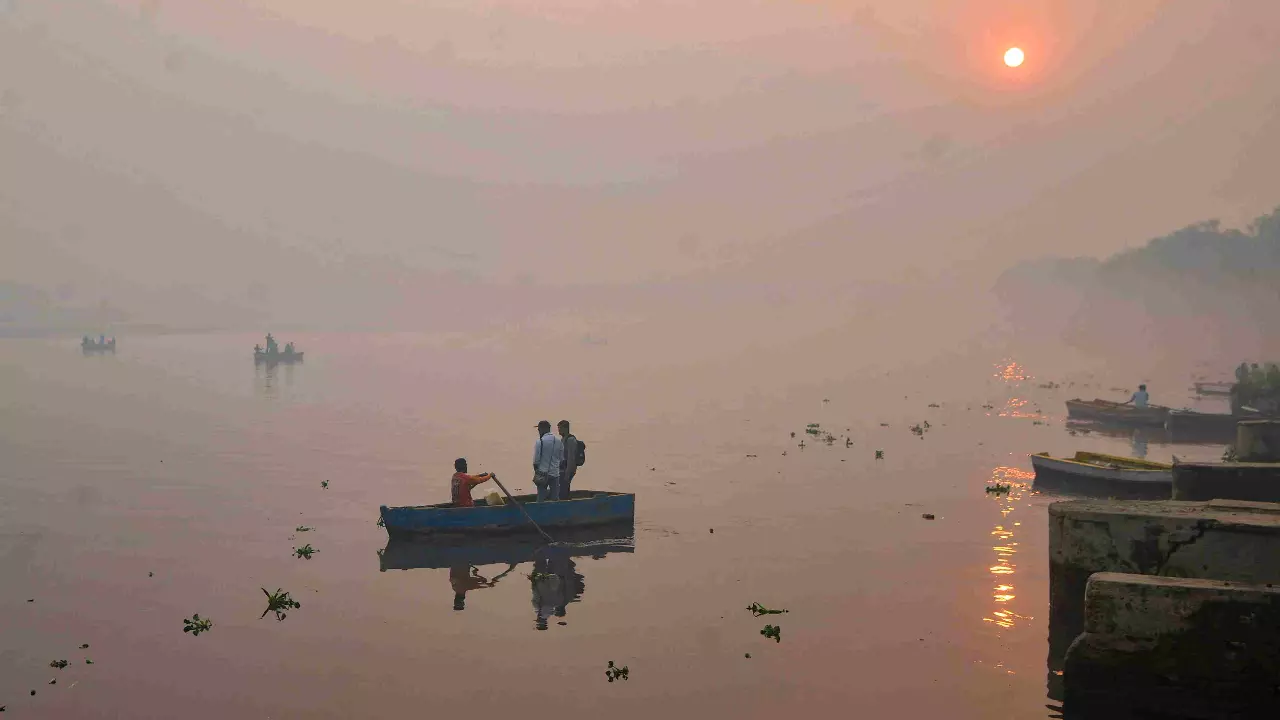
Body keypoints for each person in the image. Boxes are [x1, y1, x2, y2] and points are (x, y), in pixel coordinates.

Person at [532, 421, 563, 502]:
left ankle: (540, 513)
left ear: (543, 429)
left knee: (541, 498)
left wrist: (536, 471)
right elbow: (561, 458)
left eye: (539, 429)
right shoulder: (559, 441)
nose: (538, 431)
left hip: (542, 474)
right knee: (555, 498)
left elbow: (536, 461)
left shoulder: (539, 442)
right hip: (555, 473)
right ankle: (555, 513)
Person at [557, 420, 582, 500]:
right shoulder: (563, 439)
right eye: (558, 428)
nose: (559, 430)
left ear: (565, 428)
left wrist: (568, 473)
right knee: (561, 489)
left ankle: (564, 503)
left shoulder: (570, 440)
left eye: (560, 428)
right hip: (562, 469)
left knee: (564, 489)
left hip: (567, 469)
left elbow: (571, 458)